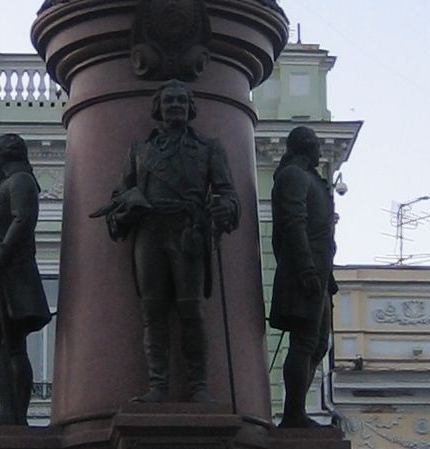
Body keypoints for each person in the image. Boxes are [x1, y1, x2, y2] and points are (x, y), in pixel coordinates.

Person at [102, 81, 239, 403]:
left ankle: (199, 386)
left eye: (181, 100)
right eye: (169, 101)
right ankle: (158, 386)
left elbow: (228, 192)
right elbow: (119, 194)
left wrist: (225, 207)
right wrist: (127, 205)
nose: (175, 105)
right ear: (158, 107)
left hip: (188, 231)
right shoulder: (139, 150)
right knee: (153, 311)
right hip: (150, 232)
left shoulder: (208, 148)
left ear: (190, 108)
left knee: (192, 310)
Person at [0, 133, 51, 426]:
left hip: (12, 272)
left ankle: (9, 410)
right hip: (3, 272)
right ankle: (15, 415)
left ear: (7, 153)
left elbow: (22, 220)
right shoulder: (8, 183)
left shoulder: (20, 181)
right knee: (13, 345)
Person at [269, 125, 337, 428]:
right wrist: (307, 267)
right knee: (304, 342)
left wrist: (327, 275)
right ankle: (293, 414)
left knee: (319, 343)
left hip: (319, 272)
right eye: (316, 146)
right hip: (303, 271)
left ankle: (296, 411)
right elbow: (293, 224)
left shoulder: (310, 179)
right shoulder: (293, 176)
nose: (320, 151)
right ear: (306, 147)